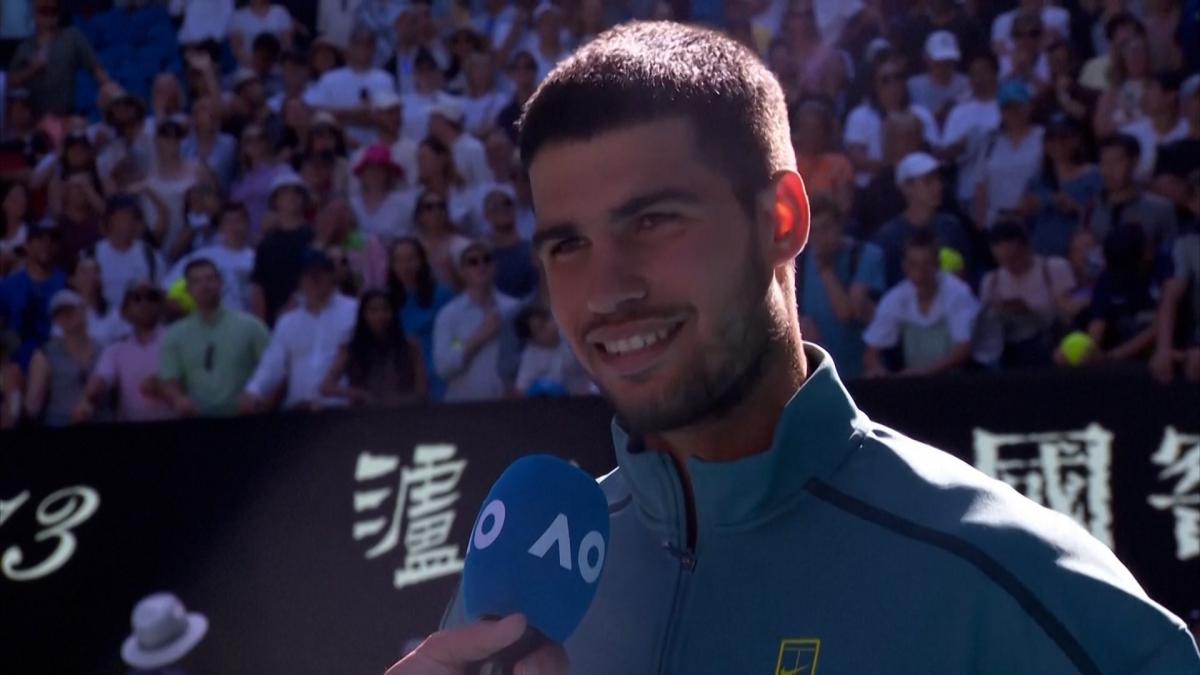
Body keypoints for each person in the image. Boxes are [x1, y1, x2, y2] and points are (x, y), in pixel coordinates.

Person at [403, 22, 1198, 675]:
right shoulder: (512, 610)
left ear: (782, 218)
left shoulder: (1008, 589)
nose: (606, 289)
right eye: (567, 244)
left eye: (653, 221)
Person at [242, 249, 358, 412]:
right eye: (307, 275)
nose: (313, 280)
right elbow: (273, 364)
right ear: (299, 280)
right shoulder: (288, 322)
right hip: (299, 411)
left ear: (331, 275)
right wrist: (253, 391)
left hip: (342, 409)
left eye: (319, 274)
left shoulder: (354, 311)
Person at [158, 258, 269, 417]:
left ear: (221, 283)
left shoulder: (251, 326)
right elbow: (169, 379)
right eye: (197, 281)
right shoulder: (175, 334)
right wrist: (178, 399)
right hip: (197, 422)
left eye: (210, 279)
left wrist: (262, 401)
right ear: (188, 289)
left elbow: (273, 369)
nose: (205, 286)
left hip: (243, 419)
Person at [863, 231, 980, 376]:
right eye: (913, 264)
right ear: (904, 266)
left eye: (927, 264)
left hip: (957, 379)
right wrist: (880, 373)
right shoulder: (895, 298)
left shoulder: (958, 293)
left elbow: (964, 349)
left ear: (937, 264)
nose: (920, 272)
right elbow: (871, 353)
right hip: (915, 383)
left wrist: (923, 373)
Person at [796, 194, 884, 381]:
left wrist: (825, 268)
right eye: (814, 231)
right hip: (819, 377)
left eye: (827, 227)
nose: (821, 238)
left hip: (861, 374)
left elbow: (846, 313)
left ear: (840, 225)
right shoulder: (800, 264)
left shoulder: (866, 255)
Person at [975, 220, 1075, 368]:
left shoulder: (1053, 268)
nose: (1008, 265)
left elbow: (1069, 316)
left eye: (1013, 258)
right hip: (1009, 351)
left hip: (1048, 347)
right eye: (1001, 260)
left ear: (1027, 247)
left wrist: (1029, 312)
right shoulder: (991, 281)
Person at [75, 281, 172, 423]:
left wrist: (163, 386)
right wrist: (87, 401)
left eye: (152, 297)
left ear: (161, 306)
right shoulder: (116, 349)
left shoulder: (176, 341)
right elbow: (101, 380)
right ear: (124, 311)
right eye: (137, 298)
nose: (144, 303)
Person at [432, 239, 516, 402]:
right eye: (473, 262)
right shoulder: (449, 316)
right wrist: (480, 337)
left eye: (487, 259)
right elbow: (443, 367)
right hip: (464, 408)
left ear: (495, 266)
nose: (481, 265)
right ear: (462, 271)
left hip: (509, 405)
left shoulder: (513, 309)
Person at [875, 152, 974, 288]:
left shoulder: (952, 227)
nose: (938, 186)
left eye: (938, 179)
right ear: (907, 188)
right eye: (928, 181)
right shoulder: (888, 237)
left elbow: (969, 274)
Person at [844, 50, 939, 188]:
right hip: (872, 188)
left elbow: (932, 153)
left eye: (898, 77)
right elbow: (856, 158)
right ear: (875, 85)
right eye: (886, 80)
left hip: (915, 186)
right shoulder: (860, 116)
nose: (893, 84)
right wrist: (892, 168)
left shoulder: (921, 114)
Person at [320, 289, 426, 407]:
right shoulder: (351, 348)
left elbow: (422, 392)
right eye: (373, 311)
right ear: (364, 315)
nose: (380, 315)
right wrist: (357, 394)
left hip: (403, 413)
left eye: (385, 309)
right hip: (362, 416)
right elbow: (326, 387)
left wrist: (392, 402)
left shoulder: (410, 346)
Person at [7, 0, 109, 118]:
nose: (49, 17)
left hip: (66, 116)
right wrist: (32, 69)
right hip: (35, 119)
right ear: (34, 14)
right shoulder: (25, 47)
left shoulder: (72, 38)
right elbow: (9, 82)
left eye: (53, 11)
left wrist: (108, 88)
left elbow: (95, 68)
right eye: (44, 11)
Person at [1020, 114, 1102, 258]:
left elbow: (1102, 215)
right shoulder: (1037, 181)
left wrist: (1075, 208)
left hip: (1077, 257)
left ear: (1076, 140)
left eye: (1063, 137)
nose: (1057, 143)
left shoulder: (1094, 176)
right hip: (1040, 257)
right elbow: (1026, 222)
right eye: (1051, 138)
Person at [304, 24, 397, 149]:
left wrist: (344, 117)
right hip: (338, 148)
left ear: (374, 48)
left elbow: (389, 119)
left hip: (376, 148)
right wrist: (353, 113)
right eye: (359, 44)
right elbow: (314, 110)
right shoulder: (330, 78)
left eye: (369, 44)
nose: (364, 49)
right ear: (350, 47)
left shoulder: (385, 79)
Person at [388, 236, 454, 401]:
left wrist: (455, 354)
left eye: (411, 259)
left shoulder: (442, 295)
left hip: (440, 376)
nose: (405, 266)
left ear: (422, 261)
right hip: (403, 381)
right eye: (398, 260)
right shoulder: (387, 301)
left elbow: (458, 337)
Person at [1092, 133, 1178, 257]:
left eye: (1116, 161)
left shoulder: (1161, 209)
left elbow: (1171, 258)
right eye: (1104, 162)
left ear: (1135, 161)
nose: (1108, 170)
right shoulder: (1091, 208)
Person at [974, 79, 1045, 229]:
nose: (1014, 112)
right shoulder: (990, 142)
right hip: (997, 223)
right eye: (1007, 108)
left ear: (1029, 107)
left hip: (1035, 221)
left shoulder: (1043, 137)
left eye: (1018, 106)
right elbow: (981, 185)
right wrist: (980, 224)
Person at [1087, 224, 1162, 364]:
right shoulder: (1108, 279)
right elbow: (1098, 322)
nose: (1150, 249)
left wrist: (1115, 355)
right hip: (1121, 351)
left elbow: (1160, 326)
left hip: (1160, 353)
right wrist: (1091, 352)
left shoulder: (1161, 272)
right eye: (1146, 245)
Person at [24, 289, 99, 426]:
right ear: (55, 320)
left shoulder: (104, 350)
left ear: (83, 310)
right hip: (62, 428)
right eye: (59, 313)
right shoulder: (44, 354)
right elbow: (33, 406)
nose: (65, 315)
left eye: (70, 309)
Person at [938, 51, 1001, 215]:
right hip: (967, 194)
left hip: (1001, 193)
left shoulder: (1007, 107)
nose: (978, 78)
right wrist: (963, 146)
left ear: (995, 73)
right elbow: (945, 157)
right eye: (973, 73)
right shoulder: (959, 112)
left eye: (983, 71)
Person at [0, 221, 67, 371]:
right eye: (40, 239)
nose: (46, 245)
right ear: (27, 245)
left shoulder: (65, 284)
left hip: (57, 365)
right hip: (15, 365)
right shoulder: (8, 286)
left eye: (52, 240)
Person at [165, 203, 257, 312]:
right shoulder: (201, 256)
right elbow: (167, 288)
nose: (234, 226)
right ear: (221, 227)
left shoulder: (258, 259)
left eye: (238, 221)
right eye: (228, 222)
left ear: (247, 224)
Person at [249, 172, 315, 325]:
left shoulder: (314, 237)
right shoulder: (266, 244)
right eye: (285, 192)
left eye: (296, 192)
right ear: (275, 201)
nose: (291, 197)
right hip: (274, 321)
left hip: (309, 316)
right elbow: (259, 286)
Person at [92, 195, 165, 312]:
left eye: (132, 218)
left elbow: (161, 292)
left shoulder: (150, 255)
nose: (127, 223)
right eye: (121, 218)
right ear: (109, 221)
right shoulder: (91, 254)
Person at [1121, 70, 1190, 183]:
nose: (1145, 95)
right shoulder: (1129, 133)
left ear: (1171, 96)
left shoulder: (1190, 132)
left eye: (1151, 89)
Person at [790, 98, 854, 216]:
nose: (810, 135)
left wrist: (824, 200)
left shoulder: (840, 164)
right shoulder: (788, 164)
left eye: (815, 129)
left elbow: (844, 206)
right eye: (806, 129)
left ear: (825, 132)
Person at [513, 304, 592, 396]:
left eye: (546, 321)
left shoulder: (572, 334)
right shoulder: (530, 356)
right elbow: (520, 389)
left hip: (589, 397)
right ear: (531, 340)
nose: (548, 327)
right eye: (540, 328)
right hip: (554, 404)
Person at [349, 144, 415, 246]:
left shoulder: (402, 205)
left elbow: (406, 242)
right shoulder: (351, 204)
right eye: (370, 169)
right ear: (363, 174)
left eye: (380, 169)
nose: (375, 174)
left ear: (388, 174)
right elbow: (346, 242)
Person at [481, 184, 538, 300]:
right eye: (495, 206)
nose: (502, 208)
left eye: (507, 204)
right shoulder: (482, 257)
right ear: (486, 215)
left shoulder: (532, 250)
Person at [908, 31, 970, 126]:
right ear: (927, 59)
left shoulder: (967, 85)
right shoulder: (913, 87)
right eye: (939, 62)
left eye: (949, 61)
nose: (944, 66)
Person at [428, 99, 494, 189]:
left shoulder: (473, 148)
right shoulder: (437, 149)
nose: (430, 123)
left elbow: (483, 183)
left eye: (433, 118)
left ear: (444, 121)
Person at [70, 256, 130, 349]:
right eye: (84, 272)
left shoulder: (115, 314)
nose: (91, 277)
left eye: (95, 271)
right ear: (73, 280)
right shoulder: (66, 314)